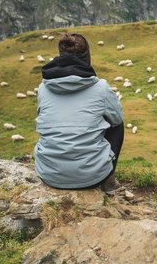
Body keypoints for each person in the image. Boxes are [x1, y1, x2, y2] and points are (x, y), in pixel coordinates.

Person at [34, 33, 124, 194]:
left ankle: (57, 165)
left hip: (48, 174)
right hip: (92, 177)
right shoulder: (100, 88)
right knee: (117, 125)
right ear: (87, 56)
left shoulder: (43, 88)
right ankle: (109, 180)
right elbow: (116, 119)